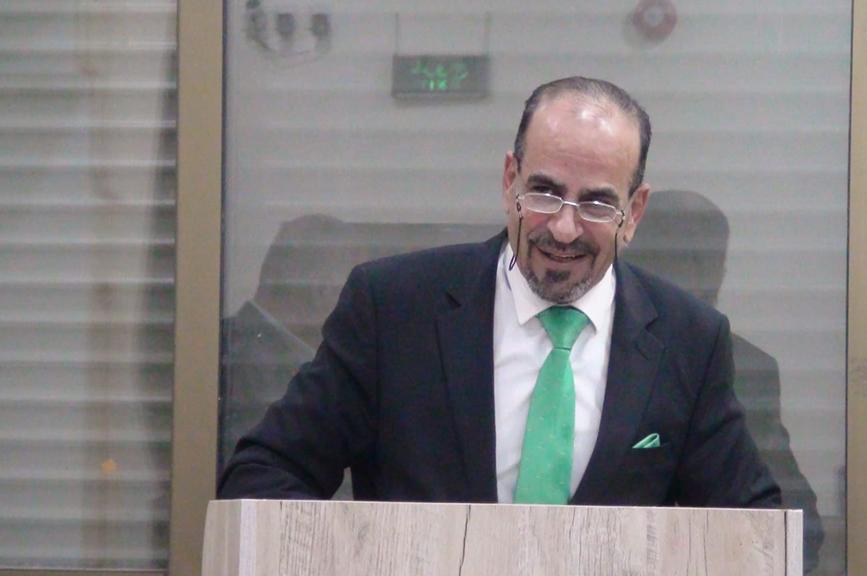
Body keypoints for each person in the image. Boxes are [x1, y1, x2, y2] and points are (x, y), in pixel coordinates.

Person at [218, 76, 780, 510]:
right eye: (544, 192)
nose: (564, 229)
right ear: (510, 180)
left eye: (596, 203)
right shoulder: (393, 309)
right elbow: (263, 475)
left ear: (633, 213)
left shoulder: (689, 340)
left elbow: (755, 525)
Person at [625, 190, 825, 571]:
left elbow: (799, 529)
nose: (704, 280)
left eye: (713, 263)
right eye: (687, 261)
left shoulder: (748, 368)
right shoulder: (588, 350)